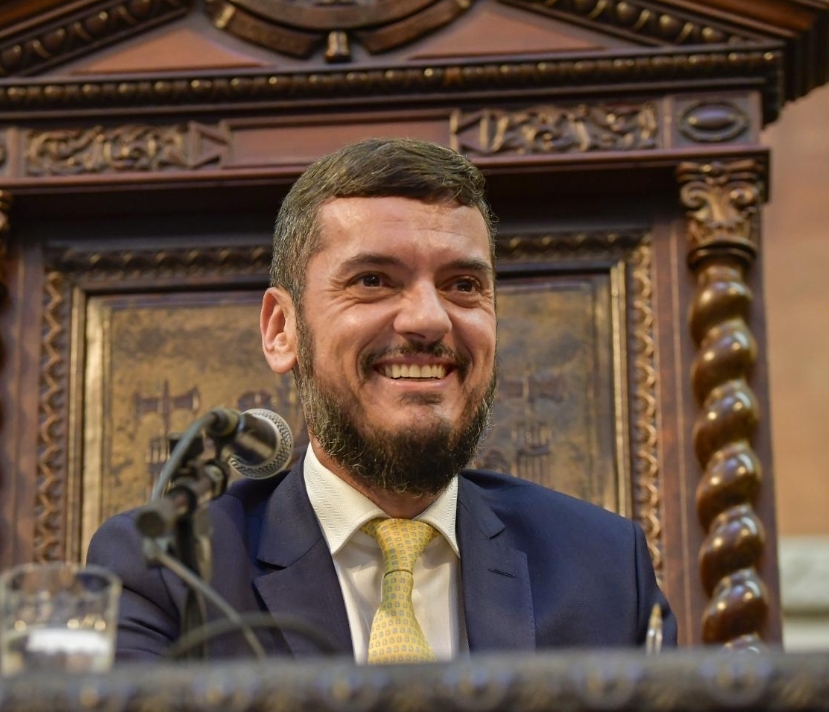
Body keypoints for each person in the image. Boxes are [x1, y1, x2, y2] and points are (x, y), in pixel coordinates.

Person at [87, 137, 677, 663]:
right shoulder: (169, 571)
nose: (429, 319)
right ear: (282, 330)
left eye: (463, 285)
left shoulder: (604, 569)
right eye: (373, 280)